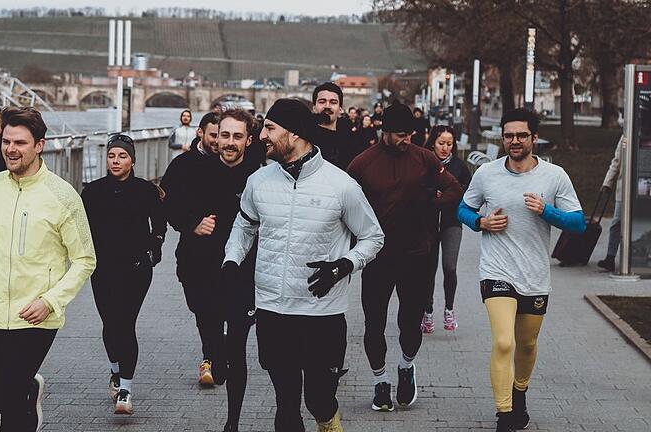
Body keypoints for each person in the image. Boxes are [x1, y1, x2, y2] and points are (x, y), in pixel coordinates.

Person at [223, 98, 384, 432]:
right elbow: (244, 225)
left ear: (294, 134)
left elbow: (373, 237)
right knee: (286, 405)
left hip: (322, 311)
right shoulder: (259, 180)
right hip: (272, 308)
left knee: (319, 401)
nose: (262, 135)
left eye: (269, 128)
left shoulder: (341, 186)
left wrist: (343, 265)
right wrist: (231, 260)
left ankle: (329, 421)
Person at [0, 107, 96, 432]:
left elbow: (85, 259)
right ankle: (29, 389)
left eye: (20, 143)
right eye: (7, 141)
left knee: (10, 402)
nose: (11, 149)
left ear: (39, 145)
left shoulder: (63, 196)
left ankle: (21, 394)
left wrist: (51, 301)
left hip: (36, 314)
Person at [457, 108, 586, 431]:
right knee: (504, 342)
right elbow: (463, 208)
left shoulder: (555, 176)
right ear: (502, 138)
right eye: (509, 135)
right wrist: (481, 222)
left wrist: (546, 211)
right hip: (496, 270)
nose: (514, 141)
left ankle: (520, 392)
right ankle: (504, 413)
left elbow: (578, 223)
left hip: (535, 275)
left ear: (534, 138)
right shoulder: (487, 173)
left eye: (521, 135)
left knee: (526, 344)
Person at [347, 103, 463, 412]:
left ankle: (406, 367)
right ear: (384, 132)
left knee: (409, 323)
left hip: (416, 255)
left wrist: (430, 201)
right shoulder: (362, 164)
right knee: (374, 324)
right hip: (377, 256)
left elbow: (454, 189)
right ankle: (380, 381)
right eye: (400, 135)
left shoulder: (424, 158)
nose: (406, 140)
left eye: (410, 134)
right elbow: (344, 207)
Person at [81, 134, 166, 415]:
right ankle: (116, 371)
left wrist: (154, 250)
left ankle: (126, 390)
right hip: (102, 268)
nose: (116, 161)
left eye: (122, 156)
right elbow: (80, 229)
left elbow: (159, 225)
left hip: (135, 268)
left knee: (125, 323)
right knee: (110, 323)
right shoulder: (92, 192)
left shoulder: (146, 190)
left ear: (132, 160)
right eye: (111, 156)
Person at [188, 109, 262, 432]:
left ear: (248, 139)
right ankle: (215, 361)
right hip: (204, 275)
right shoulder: (198, 172)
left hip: (244, 277)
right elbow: (175, 206)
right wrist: (193, 223)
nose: (228, 143)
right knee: (218, 361)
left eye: (236, 136)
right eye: (223, 136)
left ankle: (232, 422)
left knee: (237, 350)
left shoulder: (259, 178)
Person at [160, 112, 226, 386]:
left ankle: (211, 357)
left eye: (223, 136)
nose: (219, 142)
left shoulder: (234, 165)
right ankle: (217, 346)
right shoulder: (181, 165)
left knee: (219, 306)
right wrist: (191, 224)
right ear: (200, 133)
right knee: (199, 305)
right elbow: (164, 203)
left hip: (226, 252)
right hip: (192, 251)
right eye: (214, 135)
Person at [421, 125, 472, 334]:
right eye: (441, 143)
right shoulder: (423, 162)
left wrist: (451, 196)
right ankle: (427, 311)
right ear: (433, 141)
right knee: (428, 270)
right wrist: (433, 194)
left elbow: (468, 194)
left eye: (449, 144)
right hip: (428, 223)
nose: (445, 148)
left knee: (450, 267)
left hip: (452, 223)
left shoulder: (460, 166)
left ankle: (449, 309)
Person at [310, 82, 355, 169]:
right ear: (314, 107)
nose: (327, 106)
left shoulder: (350, 141)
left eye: (333, 102)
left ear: (340, 109)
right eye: (322, 102)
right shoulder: (304, 139)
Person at [597, 136, 625, 272]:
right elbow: (617, 161)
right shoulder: (626, 134)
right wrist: (607, 182)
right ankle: (610, 257)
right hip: (625, 188)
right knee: (617, 222)